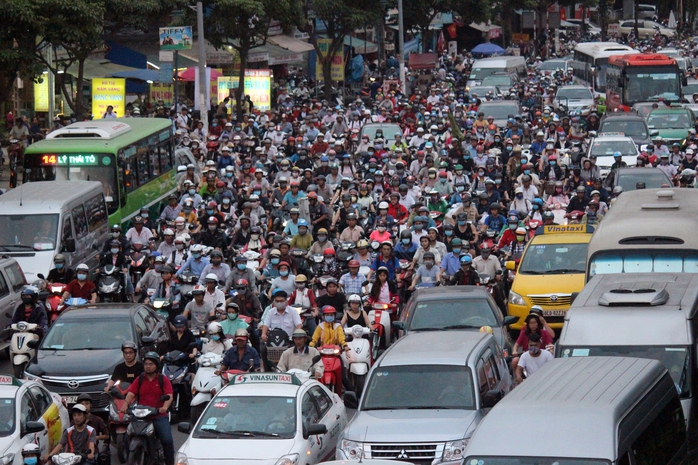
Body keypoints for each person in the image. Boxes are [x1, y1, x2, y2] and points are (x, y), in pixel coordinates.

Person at [119, 352, 175, 465]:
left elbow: (169, 395)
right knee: (126, 437)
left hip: (158, 416)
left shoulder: (163, 380)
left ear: (156, 365)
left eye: (151, 364)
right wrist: (125, 404)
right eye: (146, 364)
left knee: (167, 440)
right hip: (141, 415)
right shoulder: (140, 379)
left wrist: (164, 407)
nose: (148, 366)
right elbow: (131, 393)